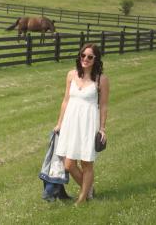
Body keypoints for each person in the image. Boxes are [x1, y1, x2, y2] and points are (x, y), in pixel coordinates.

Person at [54, 43, 109, 205]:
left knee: (86, 162)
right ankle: (89, 189)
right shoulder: (71, 75)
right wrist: (59, 124)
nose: (85, 59)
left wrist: (102, 128)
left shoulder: (102, 79)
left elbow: (104, 105)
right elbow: (65, 100)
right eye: (83, 55)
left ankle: (82, 199)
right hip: (71, 122)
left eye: (90, 57)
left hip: (88, 123)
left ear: (96, 59)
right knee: (69, 164)